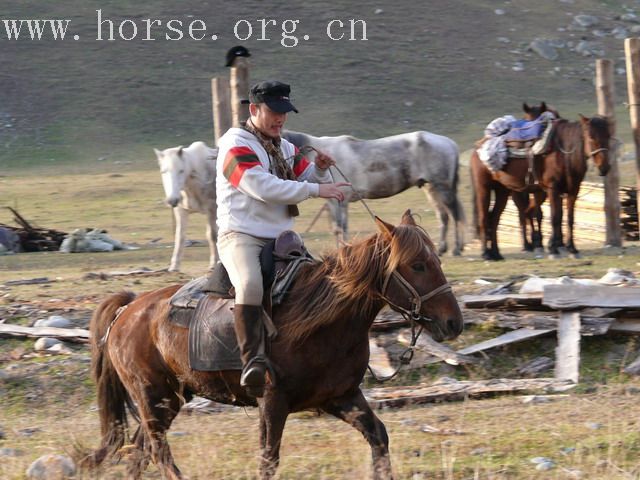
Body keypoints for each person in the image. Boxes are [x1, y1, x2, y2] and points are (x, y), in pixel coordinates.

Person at [215, 80, 348, 397]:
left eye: (285, 113)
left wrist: (318, 169)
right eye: (274, 113)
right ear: (254, 110)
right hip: (242, 236)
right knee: (250, 285)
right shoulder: (235, 145)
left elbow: (303, 177)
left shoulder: (284, 147)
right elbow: (262, 188)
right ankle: (252, 361)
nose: (281, 119)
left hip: (282, 239)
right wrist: (318, 189)